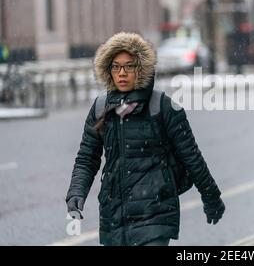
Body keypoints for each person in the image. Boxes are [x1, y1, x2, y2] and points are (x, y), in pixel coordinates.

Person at [65, 32, 225, 246]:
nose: (122, 73)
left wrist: (211, 196)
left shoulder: (164, 106)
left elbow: (192, 157)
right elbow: (87, 158)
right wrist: (76, 191)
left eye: (129, 66)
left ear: (140, 69)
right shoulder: (101, 108)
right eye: (116, 67)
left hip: (156, 212)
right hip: (114, 216)